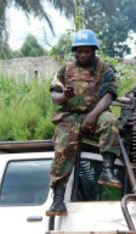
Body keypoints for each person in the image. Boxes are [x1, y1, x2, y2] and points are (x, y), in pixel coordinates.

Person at [45, 29, 122, 217]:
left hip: (96, 112)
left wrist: (93, 116)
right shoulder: (66, 69)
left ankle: (107, 171)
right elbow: (54, 96)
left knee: (111, 122)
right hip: (70, 115)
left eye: (86, 51)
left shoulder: (104, 68)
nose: (82, 54)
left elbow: (109, 95)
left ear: (94, 51)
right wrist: (65, 95)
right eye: (79, 51)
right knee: (63, 147)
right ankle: (58, 198)